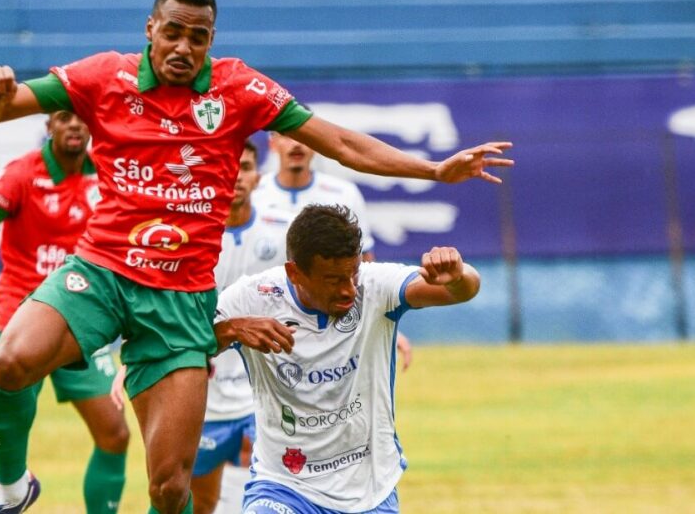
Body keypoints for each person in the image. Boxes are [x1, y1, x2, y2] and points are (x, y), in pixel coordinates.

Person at [0, 0, 511, 514]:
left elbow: (340, 142)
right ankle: (12, 491)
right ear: (150, 29)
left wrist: (434, 170)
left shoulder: (239, 89)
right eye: (173, 32)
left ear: (211, 39)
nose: (183, 47)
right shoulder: (102, 76)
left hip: (180, 301)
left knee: (170, 488)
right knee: (12, 362)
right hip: (104, 270)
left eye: (198, 37)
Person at [213, 204, 481, 513]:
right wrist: (231, 329)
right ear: (294, 272)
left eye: (352, 274)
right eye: (333, 280)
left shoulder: (376, 286)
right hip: (284, 485)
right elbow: (189, 343)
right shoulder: (251, 297)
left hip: (368, 492)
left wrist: (458, 275)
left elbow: (463, 291)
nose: (348, 290)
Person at [0, 111, 129, 514]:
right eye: (64, 118)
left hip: (82, 321)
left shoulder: (109, 172)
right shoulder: (21, 175)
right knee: (9, 450)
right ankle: (2, 505)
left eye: (84, 119)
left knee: (115, 434)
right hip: (22, 321)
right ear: (48, 125)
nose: (75, 126)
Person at [252, 131, 414, 370]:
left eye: (305, 138)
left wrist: (379, 319)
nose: (296, 144)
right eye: (286, 137)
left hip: (328, 321)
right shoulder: (255, 194)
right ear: (272, 143)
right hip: (267, 318)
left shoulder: (343, 193)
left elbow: (365, 263)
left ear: (316, 145)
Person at [190, 140, 293, 514]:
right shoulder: (189, 235)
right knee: (197, 500)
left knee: (252, 467)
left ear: (257, 176)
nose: (236, 177)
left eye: (245, 167)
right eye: (227, 168)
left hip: (261, 385)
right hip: (203, 389)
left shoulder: (282, 230)